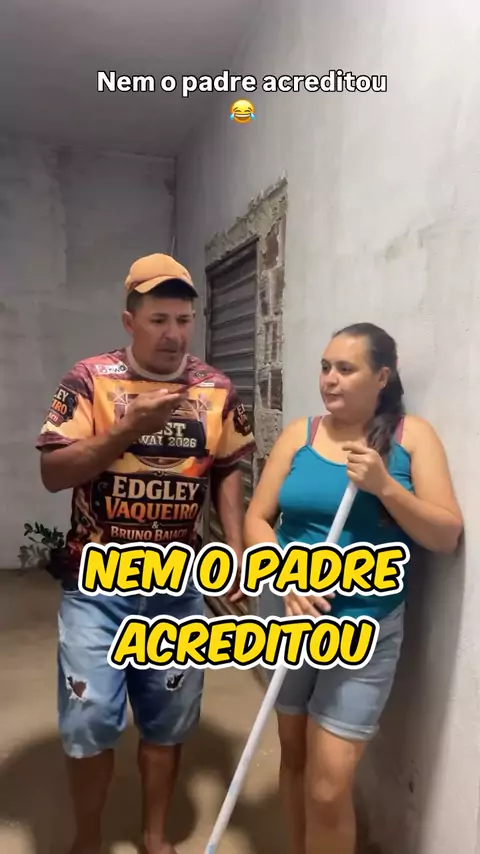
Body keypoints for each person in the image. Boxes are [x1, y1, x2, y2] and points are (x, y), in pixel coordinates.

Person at [35, 252, 256, 854]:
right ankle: (88, 839)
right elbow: (54, 473)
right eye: (159, 320)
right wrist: (128, 429)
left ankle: (155, 836)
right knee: (89, 718)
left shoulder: (216, 389)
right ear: (129, 321)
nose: (173, 334)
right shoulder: (89, 380)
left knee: (170, 716)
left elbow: (227, 471)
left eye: (183, 320)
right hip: (96, 586)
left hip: (178, 588)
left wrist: (236, 553)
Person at [243, 322, 463, 854]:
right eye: (325, 367)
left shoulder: (413, 438)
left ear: (382, 377)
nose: (330, 379)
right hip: (289, 615)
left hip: (366, 628)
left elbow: (445, 535)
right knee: (293, 754)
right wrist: (284, 575)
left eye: (346, 369)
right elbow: (257, 517)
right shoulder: (300, 434)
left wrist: (385, 487)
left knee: (329, 784)